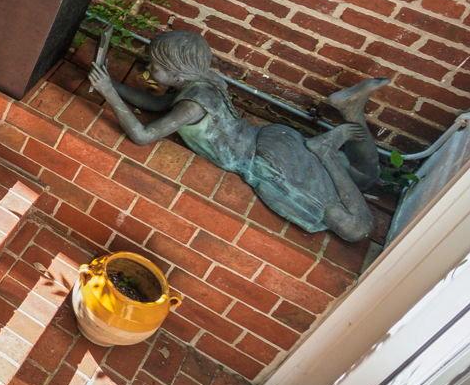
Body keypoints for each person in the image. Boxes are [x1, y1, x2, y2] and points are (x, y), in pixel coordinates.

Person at [85, 28, 382, 244]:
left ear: (178, 74)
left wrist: (109, 93)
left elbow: (142, 135)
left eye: (157, 67)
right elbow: (158, 105)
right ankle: (352, 112)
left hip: (269, 162)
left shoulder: (191, 106)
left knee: (357, 229)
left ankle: (325, 151)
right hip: (275, 140)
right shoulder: (203, 84)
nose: (150, 69)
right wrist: (111, 83)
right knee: (364, 179)